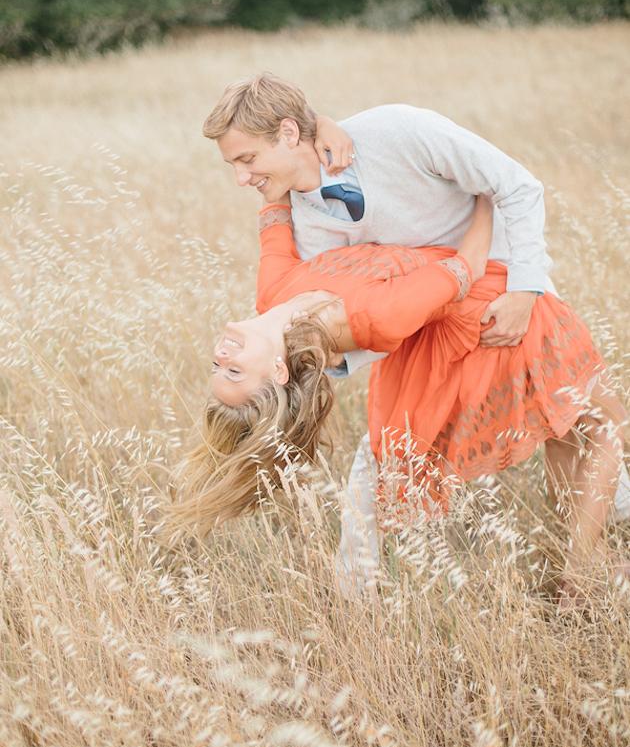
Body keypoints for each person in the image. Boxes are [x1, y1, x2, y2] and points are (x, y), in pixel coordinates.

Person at [172, 187, 626, 601]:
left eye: (218, 366)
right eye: (234, 368)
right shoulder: (375, 315)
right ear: (276, 371)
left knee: (570, 430)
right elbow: (463, 270)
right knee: (608, 422)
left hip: (477, 327)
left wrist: (270, 177)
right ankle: (581, 565)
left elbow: (273, 222)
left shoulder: (271, 294)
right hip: (493, 326)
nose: (221, 351)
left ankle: (583, 552)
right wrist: (486, 192)